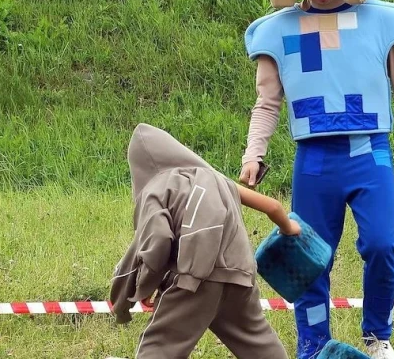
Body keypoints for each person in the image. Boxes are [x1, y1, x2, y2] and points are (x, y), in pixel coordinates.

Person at [240, 0, 394, 358]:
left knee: (382, 244)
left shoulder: (384, 22)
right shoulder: (277, 30)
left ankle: (378, 338)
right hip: (314, 160)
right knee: (308, 256)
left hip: (369, 152)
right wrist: (253, 153)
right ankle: (313, 347)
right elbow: (267, 102)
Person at [109, 123, 300, 359]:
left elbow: (157, 239)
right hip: (240, 275)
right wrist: (289, 228)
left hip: (196, 278)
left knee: (160, 345)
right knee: (257, 342)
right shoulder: (218, 180)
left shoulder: (157, 188)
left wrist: (146, 283)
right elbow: (273, 206)